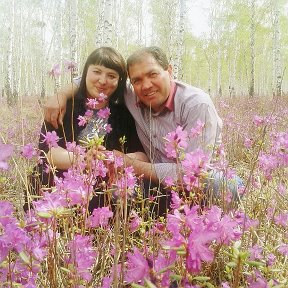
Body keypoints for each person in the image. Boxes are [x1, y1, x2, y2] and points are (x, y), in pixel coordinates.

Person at [44, 46, 242, 214]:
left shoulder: (197, 105)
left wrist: (127, 162)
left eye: (153, 74)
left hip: (195, 182)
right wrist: (61, 94)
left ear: (170, 71)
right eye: (137, 80)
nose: (146, 85)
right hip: (154, 181)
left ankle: (203, 217)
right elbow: (101, 80)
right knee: (119, 192)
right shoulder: (132, 96)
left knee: (228, 187)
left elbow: (194, 173)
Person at [24, 47, 147, 212]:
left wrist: (116, 159)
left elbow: (142, 154)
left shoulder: (125, 113)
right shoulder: (65, 107)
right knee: (40, 175)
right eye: (97, 71)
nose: (102, 81)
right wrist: (83, 159)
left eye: (111, 76)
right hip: (64, 181)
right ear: (85, 74)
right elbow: (47, 151)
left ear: (119, 82)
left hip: (105, 183)